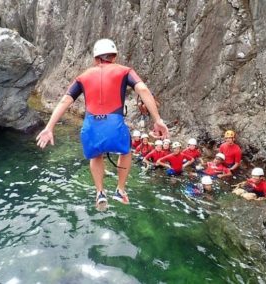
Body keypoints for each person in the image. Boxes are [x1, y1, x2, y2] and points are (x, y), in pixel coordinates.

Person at [36, 38, 168, 208]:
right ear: (114, 56)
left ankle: (100, 193)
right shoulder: (125, 71)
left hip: (91, 126)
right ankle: (120, 190)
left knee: (95, 155)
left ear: (95, 58)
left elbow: (64, 101)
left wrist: (49, 127)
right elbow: (142, 89)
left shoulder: (82, 77)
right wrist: (157, 120)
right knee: (125, 151)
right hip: (115, 125)